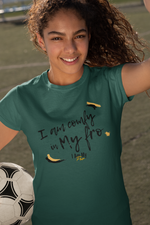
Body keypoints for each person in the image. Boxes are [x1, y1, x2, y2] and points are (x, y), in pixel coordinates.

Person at [0, 0, 150, 224]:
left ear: (89, 36)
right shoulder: (22, 99)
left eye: (78, 36)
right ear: (41, 41)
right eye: (57, 38)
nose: (70, 48)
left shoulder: (111, 84)